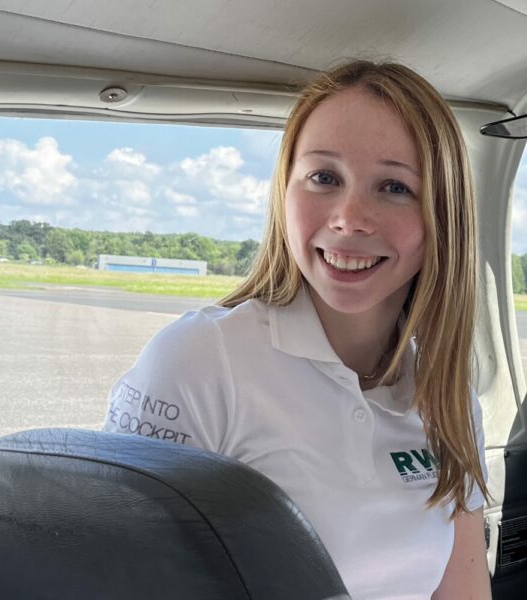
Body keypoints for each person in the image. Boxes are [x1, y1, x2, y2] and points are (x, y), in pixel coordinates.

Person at [102, 60, 491, 599]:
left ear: (442, 216)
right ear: (285, 191)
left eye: (395, 187)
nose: (350, 218)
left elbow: (464, 591)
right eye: (324, 178)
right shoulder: (201, 361)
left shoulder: (449, 397)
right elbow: (119, 574)